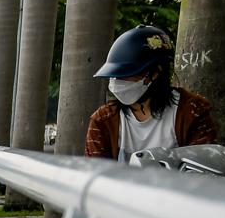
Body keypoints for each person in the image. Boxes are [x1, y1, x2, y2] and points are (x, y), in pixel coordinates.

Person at [85, 25, 218, 161]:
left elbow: (202, 171)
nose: (117, 82)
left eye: (126, 75)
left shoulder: (193, 112)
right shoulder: (102, 121)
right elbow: (96, 174)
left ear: (155, 73)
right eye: (114, 76)